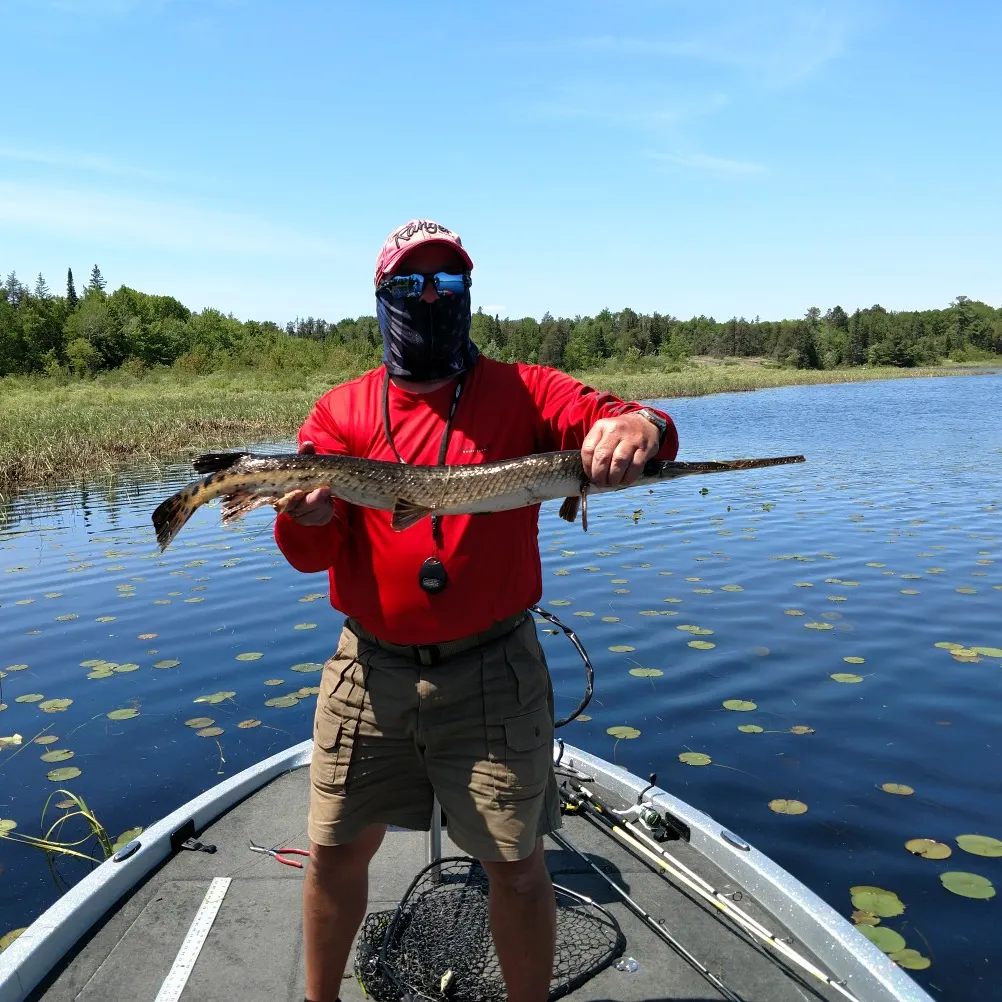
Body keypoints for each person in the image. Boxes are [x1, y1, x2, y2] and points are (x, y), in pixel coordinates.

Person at [274, 219, 679, 1002]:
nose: (431, 298)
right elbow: (304, 553)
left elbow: (641, 424)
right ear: (382, 297)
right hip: (370, 669)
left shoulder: (526, 391)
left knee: (517, 868)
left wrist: (639, 426)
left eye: (448, 283)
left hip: (494, 670)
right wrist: (307, 518)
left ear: (467, 294)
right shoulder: (341, 412)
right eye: (411, 285)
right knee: (332, 851)